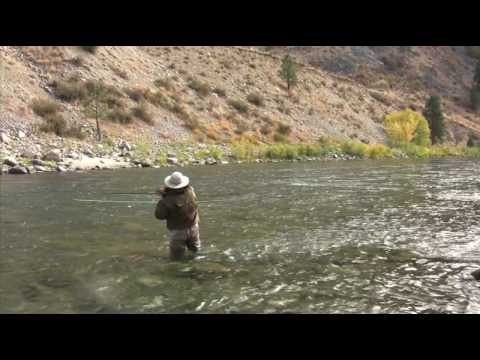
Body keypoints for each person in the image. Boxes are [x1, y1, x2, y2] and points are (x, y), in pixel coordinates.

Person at [155, 171, 200, 260]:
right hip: (194, 227)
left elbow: (159, 216)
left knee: (176, 257)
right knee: (195, 251)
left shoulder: (165, 201)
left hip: (178, 232)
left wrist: (163, 198)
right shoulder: (191, 191)